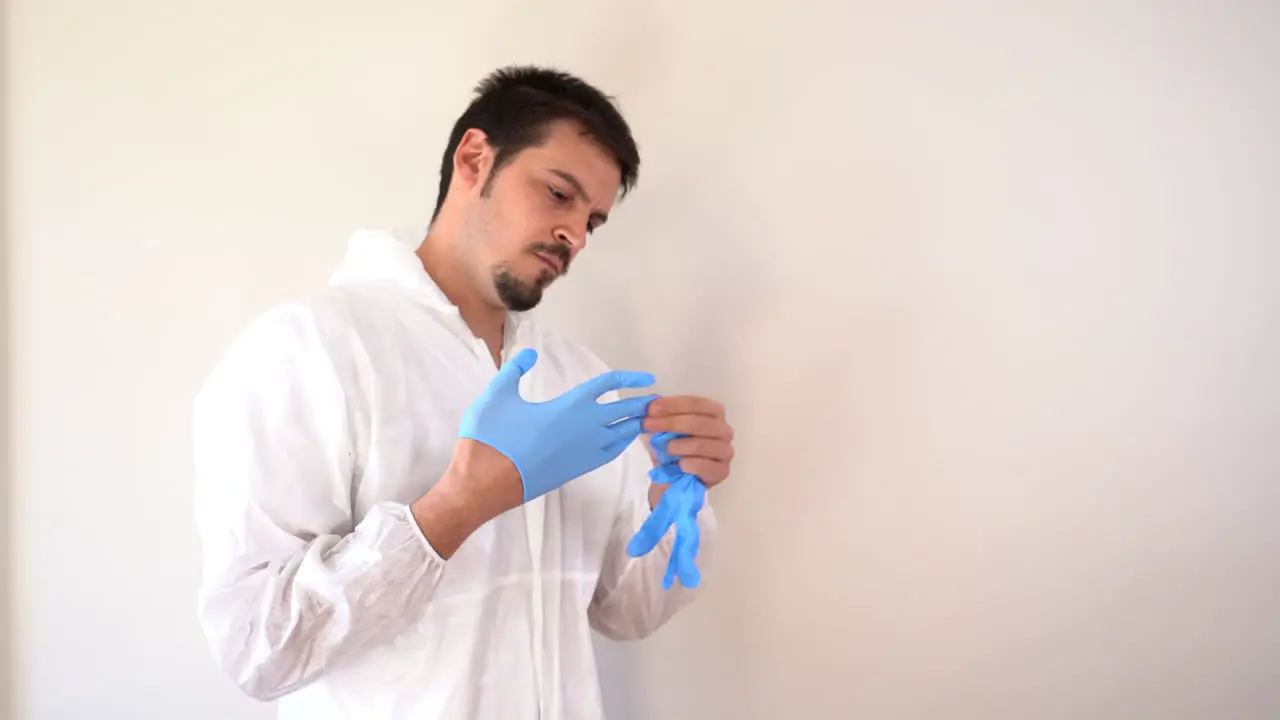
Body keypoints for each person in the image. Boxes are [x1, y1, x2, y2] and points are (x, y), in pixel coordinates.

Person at [191, 65, 736, 719]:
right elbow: (257, 648)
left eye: (593, 220)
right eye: (558, 194)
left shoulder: (576, 380)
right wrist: (454, 510)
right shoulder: (311, 350)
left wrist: (669, 495)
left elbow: (626, 611)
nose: (576, 236)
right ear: (475, 158)